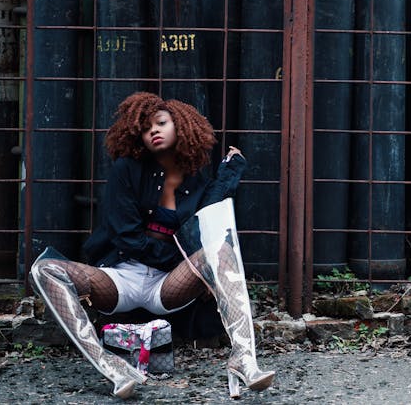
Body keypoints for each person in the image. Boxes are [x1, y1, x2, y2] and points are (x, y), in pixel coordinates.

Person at [30, 91, 275, 399]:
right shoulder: (126, 170)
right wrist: (178, 255)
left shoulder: (195, 178)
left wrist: (230, 171)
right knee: (45, 270)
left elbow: (205, 222)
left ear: (182, 126)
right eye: (146, 129)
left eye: (161, 123)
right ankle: (111, 366)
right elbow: (127, 238)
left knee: (220, 250)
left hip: (167, 285)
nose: (153, 131)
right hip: (121, 278)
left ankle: (244, 359)